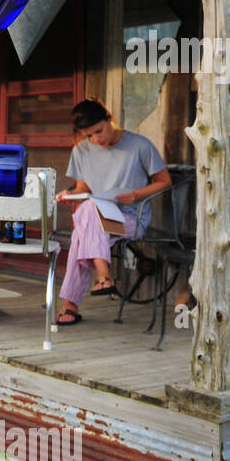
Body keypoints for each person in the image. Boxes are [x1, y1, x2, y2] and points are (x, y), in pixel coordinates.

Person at [54, 98, 170, 324]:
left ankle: (72, 303)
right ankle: (103, 276)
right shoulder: (81, 151)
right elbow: (84, 188)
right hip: (96, 218)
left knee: (84, 225)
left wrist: (135, 195)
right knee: (88, 211)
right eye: (89, 135)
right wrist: (71, 195)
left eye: (99, 131)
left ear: (109, 118)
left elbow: (164, 181)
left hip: (130, 218)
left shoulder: (140, 146)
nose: (96, 139)